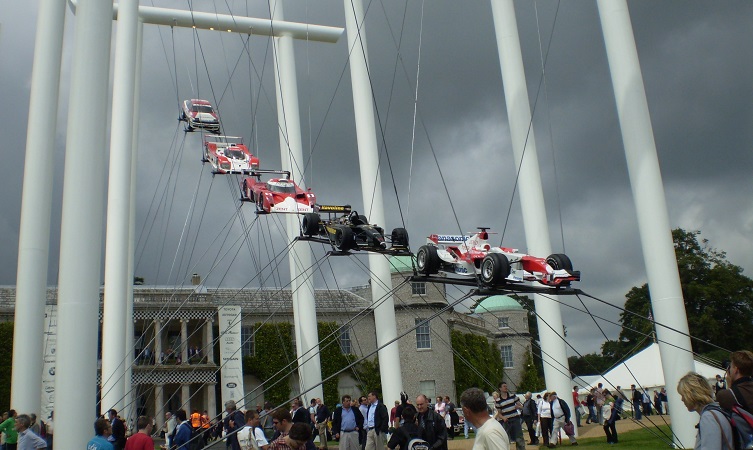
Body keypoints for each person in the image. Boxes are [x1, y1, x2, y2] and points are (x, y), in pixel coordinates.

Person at [678, 371, 734, 450]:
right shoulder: (716, 410)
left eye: (683, 395)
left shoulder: (708, 417)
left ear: (691, 395)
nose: (682, 399)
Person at [495, 383, 524, 450]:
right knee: (506, 438)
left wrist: (518, 406)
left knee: (519, 437)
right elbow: (499, 413)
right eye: (504, 386)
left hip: (515, 419)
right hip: (506, 421)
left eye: (506, 386)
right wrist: (503, 418)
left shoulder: (513, 396)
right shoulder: (498, 401)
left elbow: (521, 407)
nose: (506, 387)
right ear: (500, 388)